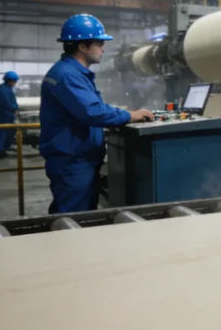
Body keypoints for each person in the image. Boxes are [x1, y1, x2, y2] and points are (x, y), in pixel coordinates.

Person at [40, 14, 154, 213]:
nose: (103, 48)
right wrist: (130, 115)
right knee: (73, 218)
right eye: (99, 43)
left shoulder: (72, 72)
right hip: (73, 162)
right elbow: (92, 112)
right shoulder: (68, 75)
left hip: (77, 159)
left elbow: (90, 107)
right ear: (82, 46)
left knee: (79, 214)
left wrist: (122, 113)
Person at [0, 71, 20, 159]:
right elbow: (9, 103)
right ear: (11, 81)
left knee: (0, 134)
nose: (15, 83)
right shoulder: (6, 91)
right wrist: (15, 109)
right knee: (3, 134)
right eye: (15, 81)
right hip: (6, 116)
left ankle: (0, 150)